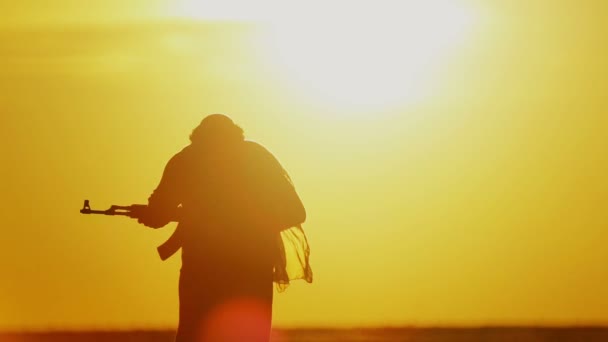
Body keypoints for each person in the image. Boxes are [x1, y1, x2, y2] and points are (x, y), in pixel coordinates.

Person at [137, 114, 312, 342]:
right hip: (238, 268)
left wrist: (236, 224)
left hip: (230, 268)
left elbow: (295, 212)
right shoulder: (251, 158)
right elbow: (160, 211)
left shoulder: (189, 160)